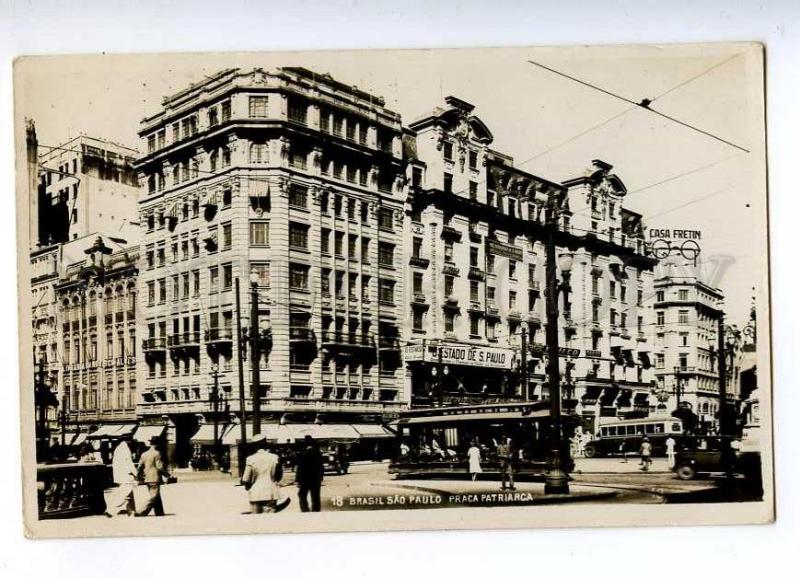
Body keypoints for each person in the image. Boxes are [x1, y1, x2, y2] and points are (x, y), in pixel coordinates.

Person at [241, 435, 290, 514]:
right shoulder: (275, 457)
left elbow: (245, 479)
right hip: (271, 493)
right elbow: (279, 476)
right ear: (265, 444)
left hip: (255, 493)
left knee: (255, 521)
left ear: (254, 446)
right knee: (269, 522)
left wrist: (247, 485)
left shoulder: (250, 459)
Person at [135, 436, 170, 516]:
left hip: (147, 478)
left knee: (156, 495)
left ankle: (159, 512)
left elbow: (140, 466)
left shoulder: (144, 454)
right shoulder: (156, 453)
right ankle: (141, 511)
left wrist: (139, 475)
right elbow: (159, 467)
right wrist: (166, 474)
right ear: (157, 444)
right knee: (153, 496)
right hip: (155, 477)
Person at [106, 439, 138, 516]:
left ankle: (132, 511)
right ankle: (111, 510)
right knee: (125, 493)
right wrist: (136, 473)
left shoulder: (119, 448)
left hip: (119, 474)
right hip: (125, 475)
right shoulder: (125, 449)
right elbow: (129, 463)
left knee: (129, 493)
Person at [294, 435, 325, 513]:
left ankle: (305, 510)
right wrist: (320, 478)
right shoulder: (317, 453)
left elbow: (300, 468)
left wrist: (297, 480)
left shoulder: (303, 454)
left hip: (304, 479)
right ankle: (316, 511)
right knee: (315, 496)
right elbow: (320, 467)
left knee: (302, 495)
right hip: (315, 479)